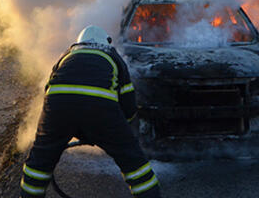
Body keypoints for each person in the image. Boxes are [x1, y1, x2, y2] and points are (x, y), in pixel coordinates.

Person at [20, 25, 161, 197]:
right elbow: (128, 103)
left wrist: (58, 129)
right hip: (101, 110)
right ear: (106, 41)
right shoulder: (112, 56)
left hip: (57, 108)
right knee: (133, 162)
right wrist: (123, 132)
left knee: (39, 162)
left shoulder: (66, 56)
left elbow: (49, 90)